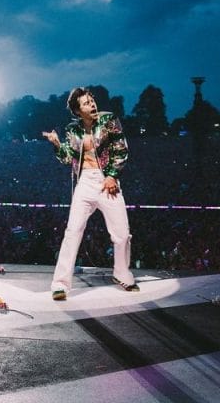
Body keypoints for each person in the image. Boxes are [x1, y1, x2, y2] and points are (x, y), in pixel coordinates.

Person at [42, 87, 138, 300]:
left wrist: (112, 175)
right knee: (72, 231)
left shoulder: (109, 120)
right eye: (86, 103)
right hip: (85, 182)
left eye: (91, 100)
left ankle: (122, 274)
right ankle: (60, 284)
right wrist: (57, 144)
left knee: (122, 235)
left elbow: (121, 149)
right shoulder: (72, 129)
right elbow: (69, 159)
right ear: (77, 111)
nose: (92, 104)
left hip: (107, 182)